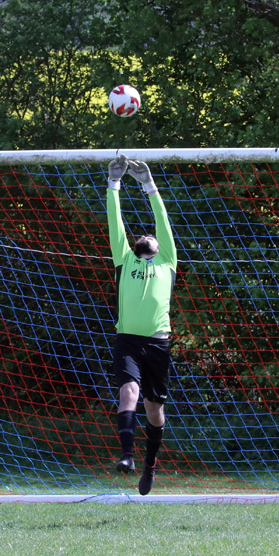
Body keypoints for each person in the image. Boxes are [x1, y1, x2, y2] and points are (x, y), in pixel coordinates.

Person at [106, 155, 177, 495]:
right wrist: (114, 184)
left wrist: (149, 185)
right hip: (128, 342)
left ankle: (149, 465)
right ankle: (126, 456)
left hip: (158, 344)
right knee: (128, 393)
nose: (148, 234)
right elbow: (114, 223)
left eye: (153, 235)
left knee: (154, 411)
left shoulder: (167, 261)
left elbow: (162, 221)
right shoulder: (124, 258)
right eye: (143, 234)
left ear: (160, 247)